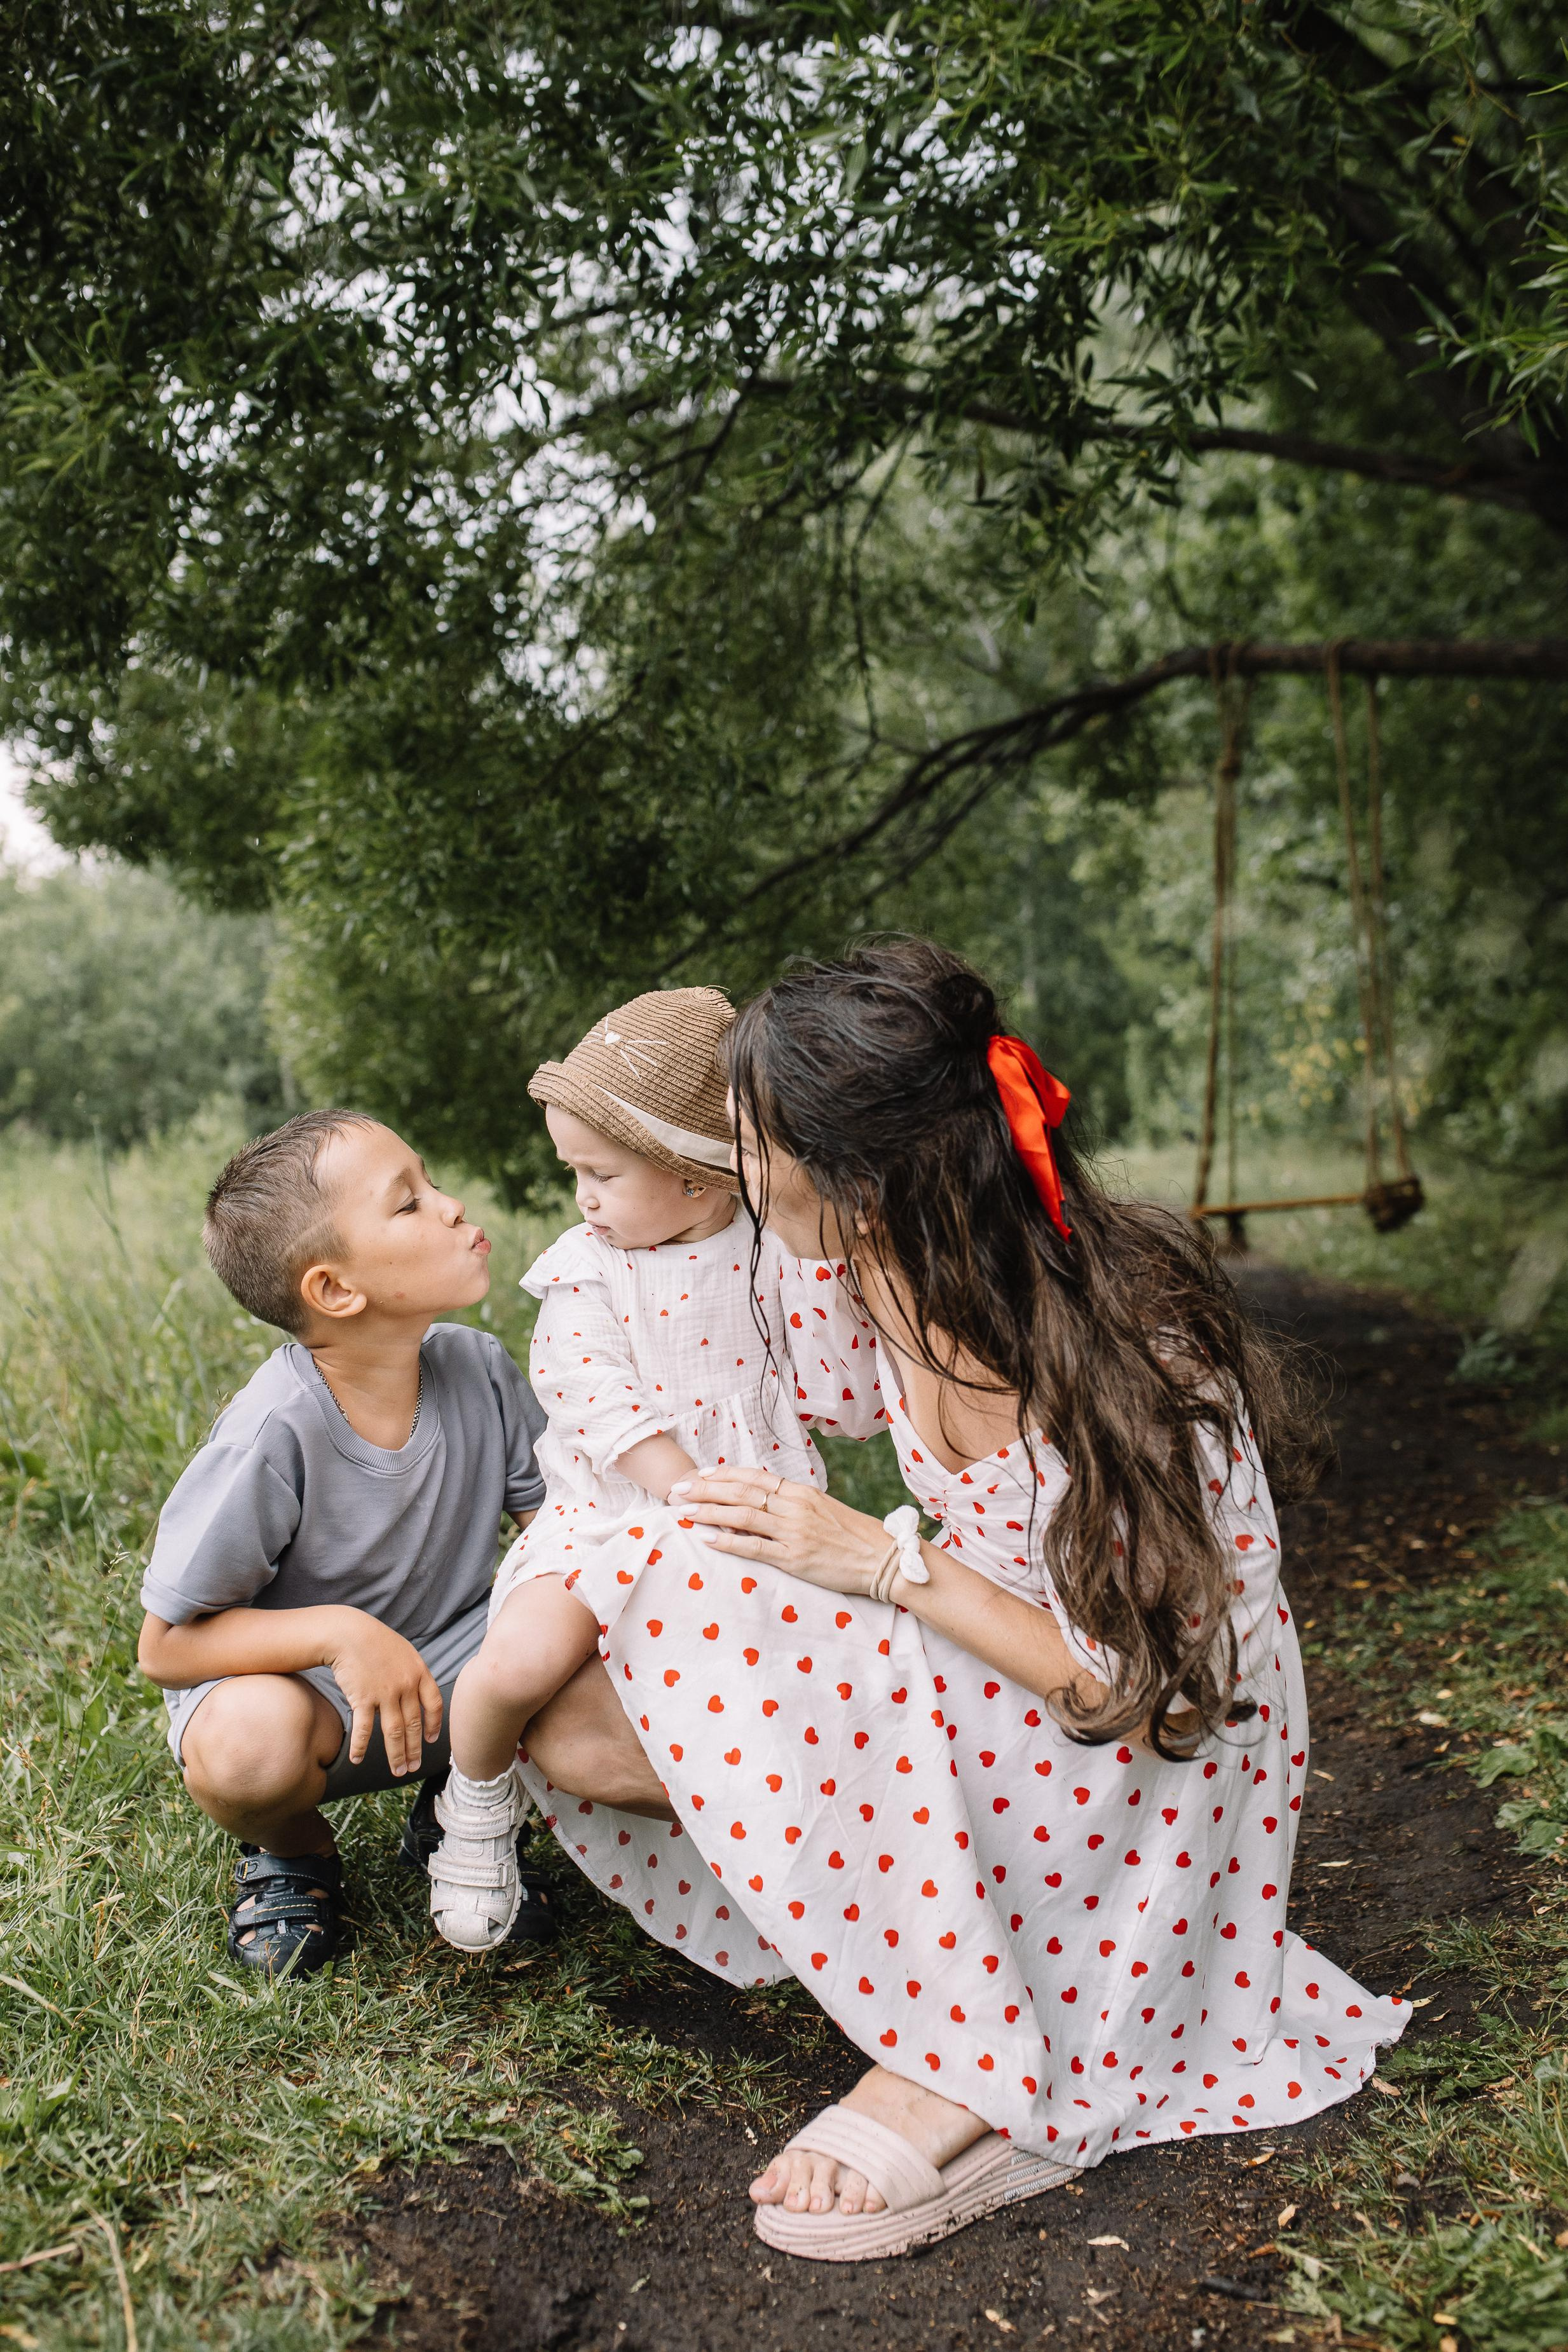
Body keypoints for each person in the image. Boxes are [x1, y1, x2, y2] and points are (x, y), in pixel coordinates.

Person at [519, 939, 1409, 2262]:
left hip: (1149, 1738)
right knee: (582, 1703)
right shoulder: (869, 1259)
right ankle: (939, 1919)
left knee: (696, 1598)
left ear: (862, 1176)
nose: (738, 1176)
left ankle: (960, 2050)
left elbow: (1136, 1692)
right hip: (992, 1632)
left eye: (756, 1147)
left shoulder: (1106, 1363)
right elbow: (801, 1399)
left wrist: (883, 1568)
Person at [429, 986, 890, 1949]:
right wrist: (684, 1487)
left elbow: (844, 1403)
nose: (582, 1198)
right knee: (516, 1660)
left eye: (601, 1173)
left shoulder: (777, 1254)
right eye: (574, 1174)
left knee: (789, 1696)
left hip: (757, 1523)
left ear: (700, 1179)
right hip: (610, 1517)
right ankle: (473, 1812)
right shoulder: (585, 1269)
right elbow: (593, 1397)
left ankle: (818, 1862)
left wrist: (840, 1283)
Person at [136, 1111, 550, 1976]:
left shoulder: (481, 1368)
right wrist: (341, 1634)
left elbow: (557, 1541)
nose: (450, 1205)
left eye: (431, 1182)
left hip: (462, 1676)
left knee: (590, 1648)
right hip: (319, 1700)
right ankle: (294, 1852)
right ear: (334, 1290)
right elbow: (167, 1646)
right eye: (409, 1204)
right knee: (245, 1745)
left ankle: (464, 1799)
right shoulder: (272, 1431)